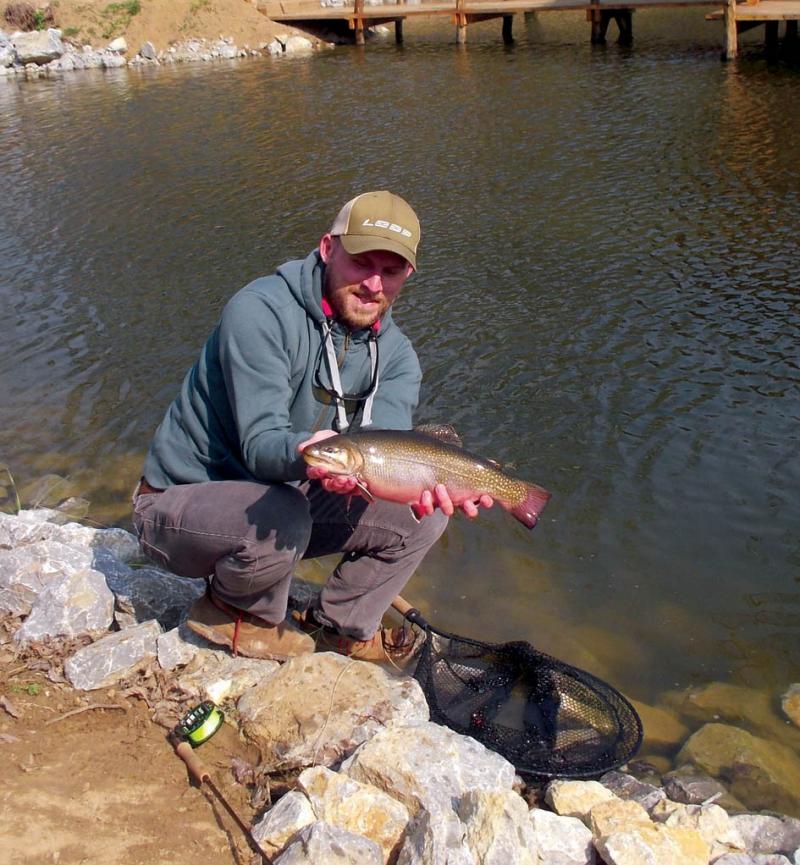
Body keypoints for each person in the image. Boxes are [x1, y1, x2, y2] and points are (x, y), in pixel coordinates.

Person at [132, 191, 492, 665]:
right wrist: (314, 452)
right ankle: (235, 612)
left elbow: (386, 452)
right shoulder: (260, 311)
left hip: (291, 494)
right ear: (327, 249)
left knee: (421, 519)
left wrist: (417, 487)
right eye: (362, 262)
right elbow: (261, 447)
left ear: (409, 274)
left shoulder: (399, 358)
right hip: (180, 505)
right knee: (284, 511)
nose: (373, 284)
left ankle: (339, 626)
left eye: (392, 270)